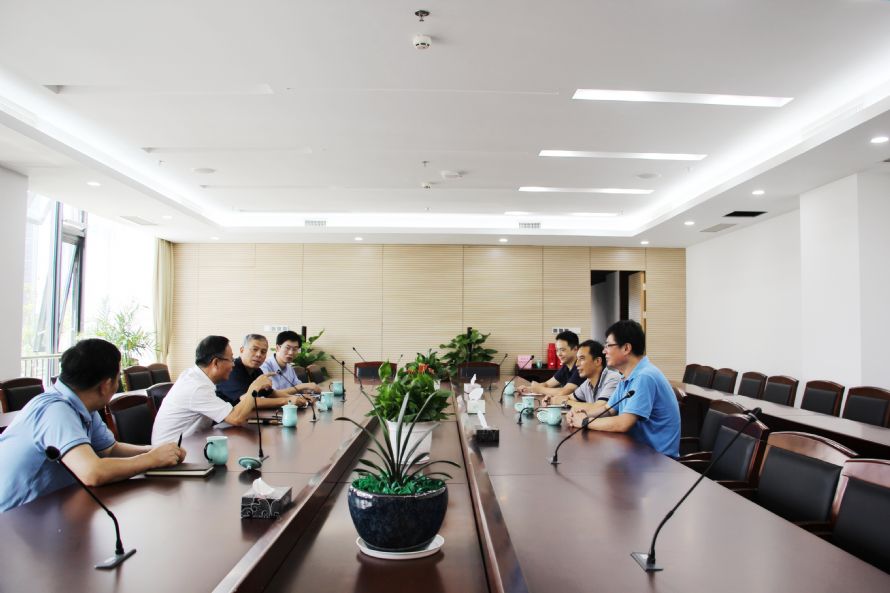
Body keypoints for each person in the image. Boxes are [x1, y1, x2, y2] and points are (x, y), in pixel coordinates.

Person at [0, 339, 185, 512]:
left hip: (48, 509)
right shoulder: (56, 410)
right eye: (118, 377)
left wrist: (156, 451)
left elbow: (110, 450)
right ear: (105, 385)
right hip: (13, 520)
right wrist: (151, 459)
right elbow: (92, 472)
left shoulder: (83, 405)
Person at [566, 320, 680, 458]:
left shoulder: (644, 376)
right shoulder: (626, 376)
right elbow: (608, 409)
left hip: (658, 460)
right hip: (635, 451)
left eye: (608, 345)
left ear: (626, 348)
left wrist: (585, 422)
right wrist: (581, 414)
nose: (604, 351)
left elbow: (624, 423)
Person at [151, 335, 265, 444]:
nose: (233, 365)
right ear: (216, 363)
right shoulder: (197, 387)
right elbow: (236, 418)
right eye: (231, 359)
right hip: (170, 451)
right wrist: (254, 387)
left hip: (190, 443)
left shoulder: (195, 376)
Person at [215, 334, 308, 409]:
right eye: (254, 349)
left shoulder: (257, 371)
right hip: (224, 423)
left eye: (263, 352)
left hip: (248, 418)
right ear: (242, 350)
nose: (259, 354)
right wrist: (288, 401)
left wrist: (299, 398)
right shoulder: (232, 369)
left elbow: (271, 393)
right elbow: (248, 401)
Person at [544, 339, 620, 409]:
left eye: (582, 358)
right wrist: (552, 399)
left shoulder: (613, 378)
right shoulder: (587, 383)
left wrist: (565, 402)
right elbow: (569, 397)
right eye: (577, 359)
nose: (577, 364)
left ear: (597, 361)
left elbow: (600, 407)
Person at [519, 330, 582, 397]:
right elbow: (547, 384)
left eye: (562, 350)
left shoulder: (581, 367)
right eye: (557, 350)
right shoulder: (566, 366)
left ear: (575, 349)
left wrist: (539, 389)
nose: (559, 354)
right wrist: (528, 389)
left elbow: (564, 392)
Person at [260, 330, 321, 395]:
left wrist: (311, 390)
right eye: (287, 348)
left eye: (295, 349)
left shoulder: (289, 367)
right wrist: (303, 386)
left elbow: (299, 387)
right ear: (277, 348)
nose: (291, 352)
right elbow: (271, 395)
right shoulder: (264, 367)